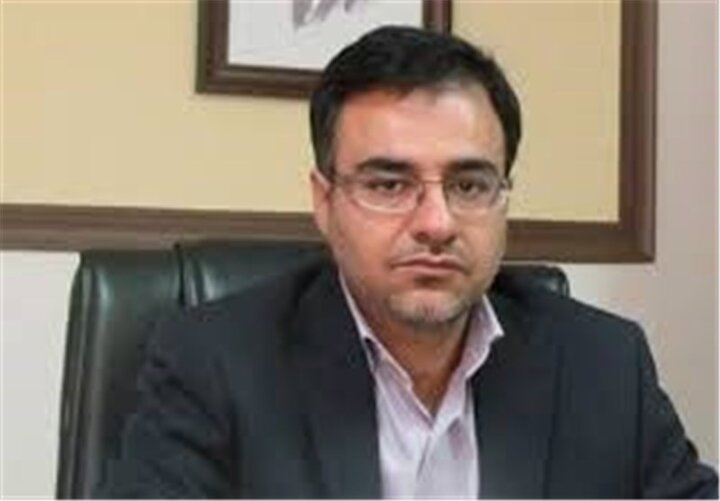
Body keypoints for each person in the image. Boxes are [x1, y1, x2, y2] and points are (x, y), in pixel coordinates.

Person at [100, 26, 717, 498]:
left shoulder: (603, 366)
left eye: (469, 185)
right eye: (389, 185)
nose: (437, 223)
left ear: (505, 198)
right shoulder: (216, 363)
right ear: (324, 202)